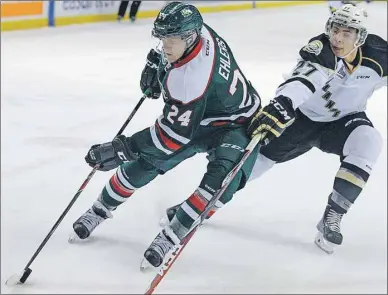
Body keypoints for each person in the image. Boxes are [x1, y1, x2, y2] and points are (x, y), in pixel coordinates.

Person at [71, 1, 261, 268]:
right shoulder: (199, 31)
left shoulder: (191, 79)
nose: (165, 46)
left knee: (220, 184)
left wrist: (123, 147)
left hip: (236, 123)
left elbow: (170, 138)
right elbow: (177, 61)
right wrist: (159, 64)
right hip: (201, 111)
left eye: (171, 40)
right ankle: (99, 210)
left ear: (190, 36)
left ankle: (170, 237)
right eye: (162, 38)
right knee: (145, 164)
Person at [245, 4, 386, 254]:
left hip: (344, 122)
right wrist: (283, 103)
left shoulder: (379, 55)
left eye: (347, 33)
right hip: (301, 120)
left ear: (360, 37)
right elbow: (300, 81)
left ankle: (332, 216)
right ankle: (203, 205)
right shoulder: (320, 50)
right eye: (335, 30)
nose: (338, 38)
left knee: (369, 140)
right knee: (253, 166)